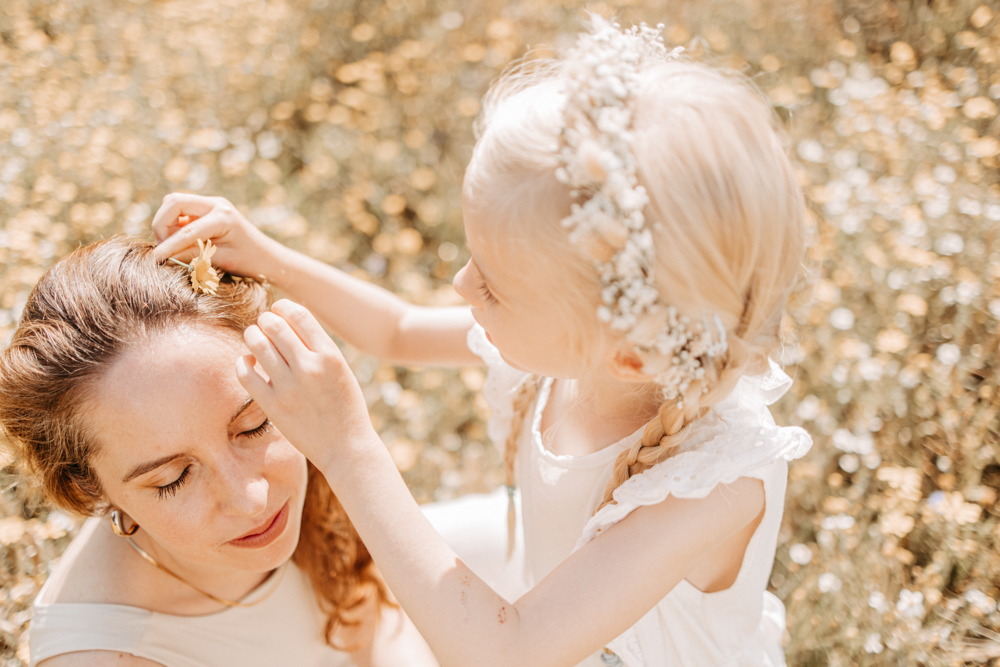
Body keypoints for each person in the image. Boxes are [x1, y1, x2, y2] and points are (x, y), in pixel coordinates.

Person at [152, 18, 813, 666]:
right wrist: (268, 256)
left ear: (628, 355)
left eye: (493, 286)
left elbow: (510, 651)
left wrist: (347, 446)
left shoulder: (711, 482)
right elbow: (399, 328)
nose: (462, 284)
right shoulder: (589, 351)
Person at [0, 238, 438, 667]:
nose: (252, 498)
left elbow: (377, 623)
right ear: (88, 487)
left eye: (254, 425)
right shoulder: (101, 655)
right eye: (173, 478)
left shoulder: (313, 444)